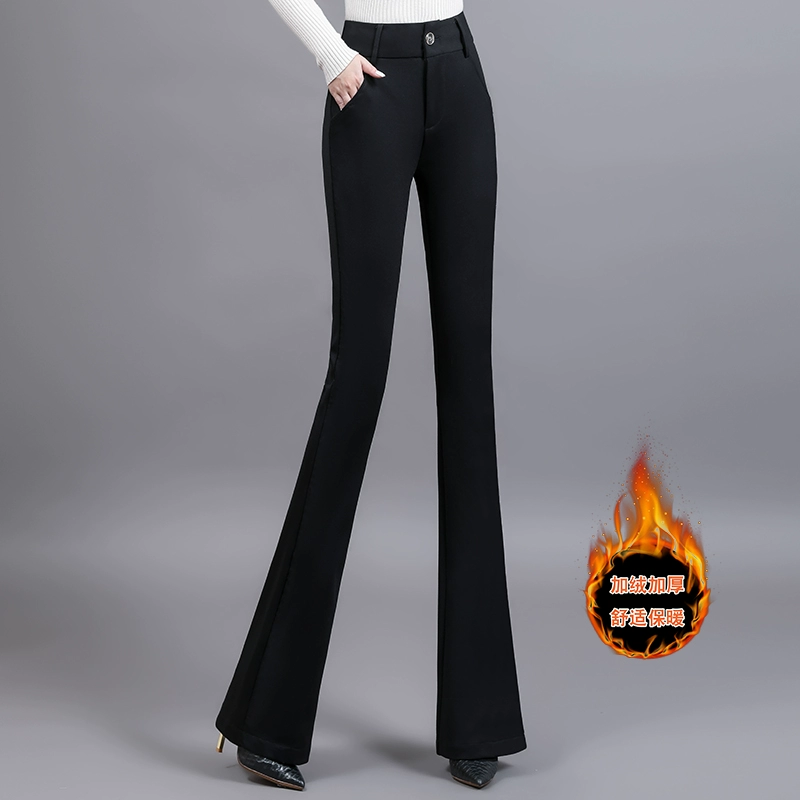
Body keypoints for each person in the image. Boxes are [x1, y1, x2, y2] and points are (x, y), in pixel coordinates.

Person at [214, 1, 527, 790]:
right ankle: (265, 721)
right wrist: (329, 53)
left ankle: (480, 722)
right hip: (371, 82)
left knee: (470, 386)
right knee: (358, 375)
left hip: (460, 75)